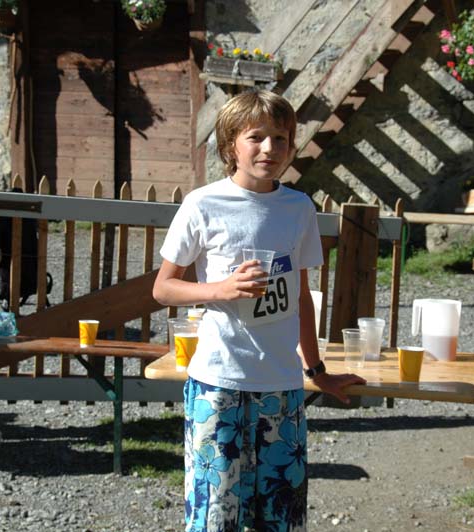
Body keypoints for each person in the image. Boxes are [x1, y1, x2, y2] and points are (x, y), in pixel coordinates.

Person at [152, 89, 366, 531]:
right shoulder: (202, 204)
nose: (270, 148)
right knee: (215, 518)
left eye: (281, 138)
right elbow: (163, 288)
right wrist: (221, 289)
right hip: (218, 384)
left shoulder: (298, 208)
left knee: (282, 518)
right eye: (256, 137)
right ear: (231, 144)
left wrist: (317, 370)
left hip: (282, 387)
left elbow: (300, 297)